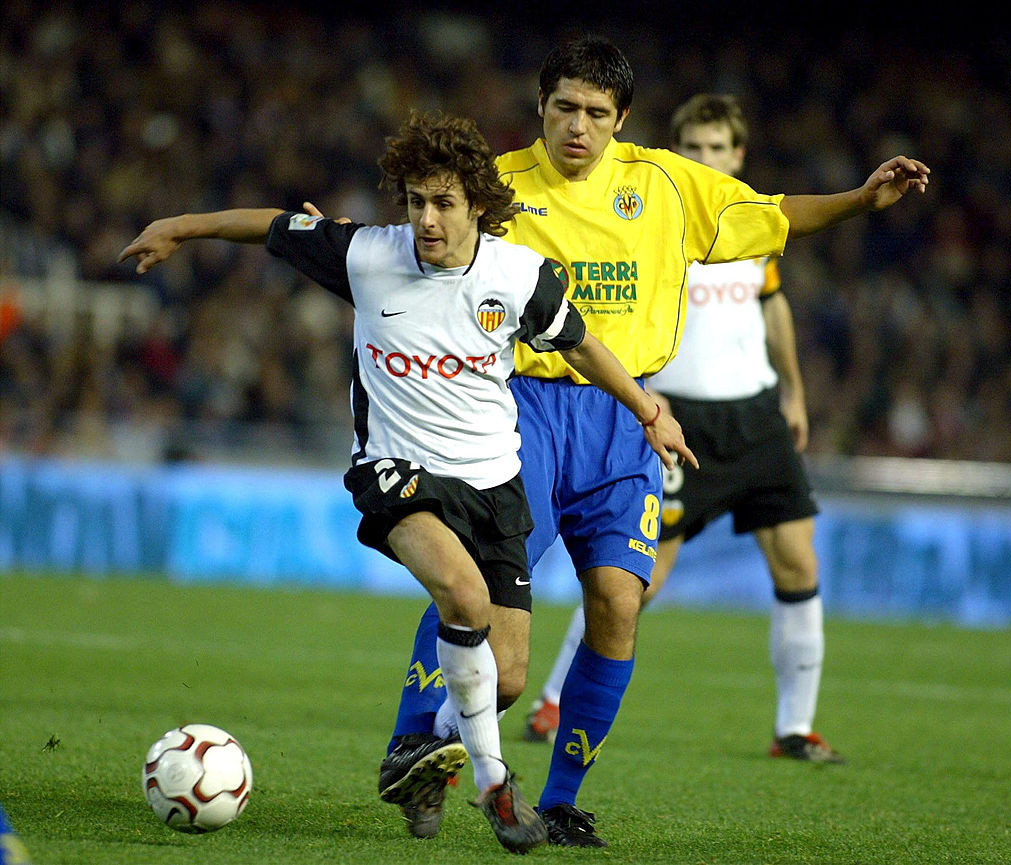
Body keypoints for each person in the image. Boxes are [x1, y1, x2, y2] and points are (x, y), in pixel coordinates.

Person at [376, 36, 929, 848]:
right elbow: (416, 243)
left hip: (626, 419)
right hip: (517, 407)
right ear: (541, 107)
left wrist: (857, 199)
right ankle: (414, 740)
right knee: (482, 600)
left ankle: (560, 799)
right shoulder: (495, 186)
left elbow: (772, 214)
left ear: (622, 119)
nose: (578, 127)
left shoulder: (667, 183)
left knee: (619, 603)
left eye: (597, 114)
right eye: (564, 107)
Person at [117, 109, 693, 853]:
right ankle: (493, 783)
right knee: (462, 594)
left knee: (508, 676)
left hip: (495, 484)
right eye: (416, 201)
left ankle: (424, 756)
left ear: (477, 207)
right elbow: (269, 226)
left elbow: (583, 347)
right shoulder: (366, 255)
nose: (426, 218)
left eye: (443, 202)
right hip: (399, 475)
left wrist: (649, 409)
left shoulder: (518, 276)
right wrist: (180, 224)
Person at [522, 92, 844, 764]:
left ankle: (795, 727)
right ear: (675, 153)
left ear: (738, 155)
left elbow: (773, 307)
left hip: (755, 415)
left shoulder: (747, 226)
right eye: (693, 149)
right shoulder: (658, 214)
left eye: (717, 149)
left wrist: (794, 390)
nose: (706, 159)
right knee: (638, 576)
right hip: (675, 415)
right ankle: (554, 697)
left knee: (798, 559)